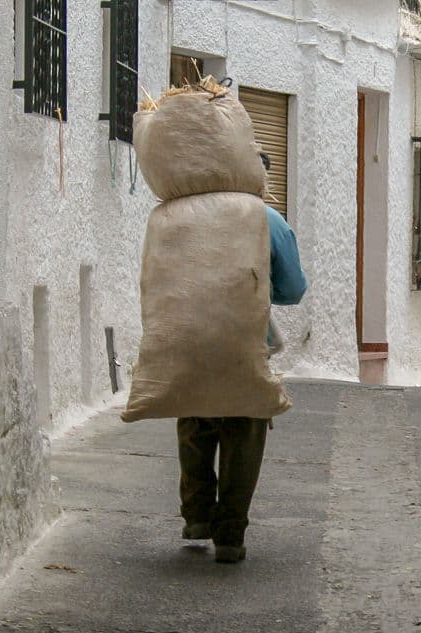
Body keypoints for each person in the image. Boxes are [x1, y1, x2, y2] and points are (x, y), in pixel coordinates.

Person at [176, 193, 307, 564]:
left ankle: (197, 516)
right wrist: (263, 288)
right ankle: (230, 536)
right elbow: (294, 288)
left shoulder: (184, 212)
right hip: (247, 336)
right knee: (245, 427)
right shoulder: (269, 220)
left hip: (194, 332)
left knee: (195, 416)